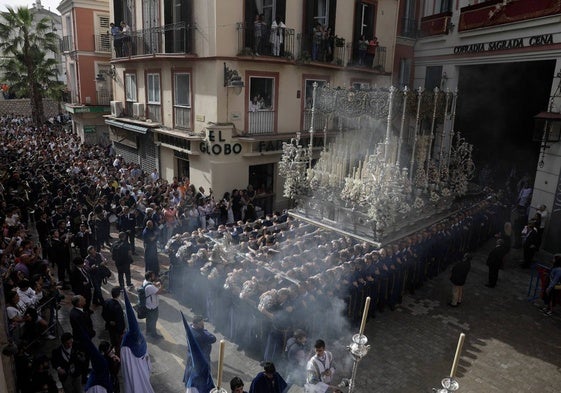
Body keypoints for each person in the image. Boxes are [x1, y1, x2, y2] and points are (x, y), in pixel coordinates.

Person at [102, 287, 126, 356]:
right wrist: (121, 331)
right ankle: (118, 356)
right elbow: (120, 321)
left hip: (110, 327)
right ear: (119, 295)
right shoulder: (117, 307)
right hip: (117, 331)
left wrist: (109, 321)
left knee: (113, 340)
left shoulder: (106, 301)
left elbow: (103, 314)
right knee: (118, 344)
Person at [143, 270, 164, 338]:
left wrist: (158, 283)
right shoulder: (150, 287)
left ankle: (148, 331)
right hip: (153, 307)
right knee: (153, 320)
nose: (154, 277)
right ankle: (154, 334)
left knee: (149, 319)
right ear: (150, 278)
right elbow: (159, 291)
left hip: (148, 305)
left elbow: (154, 284)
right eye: (153, 276)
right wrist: (161, 284)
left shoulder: (145, 282)